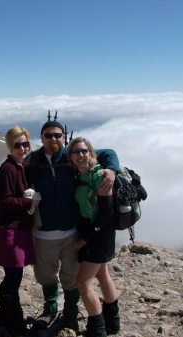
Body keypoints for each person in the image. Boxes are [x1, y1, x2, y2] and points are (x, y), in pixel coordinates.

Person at [26, 119, 119, 333]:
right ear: (41, 138)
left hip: (71, 233)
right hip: (43, 233)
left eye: (57, 135)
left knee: (72, 278)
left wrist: (112, 170)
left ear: (64, 137)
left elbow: (109, 153)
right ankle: (50, 309)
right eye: (48, 135)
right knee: (45, 275)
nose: (53, 139)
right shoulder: (33, 161)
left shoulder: (72, 156)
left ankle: (70, 314)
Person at [67, 137, 119, 337]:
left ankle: (97, 330)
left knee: (83, 282)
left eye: (84, 151)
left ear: (90, 153)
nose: (81, 155)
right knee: (102, 274)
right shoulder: (82, 175)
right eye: (76, 152)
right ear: (70, 157)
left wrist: (84, 240)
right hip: (99, 233)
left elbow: (106, 213)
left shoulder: (99, 176)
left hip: (99, 233)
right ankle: (112, 323)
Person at [0, 126, 39, 336]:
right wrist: (29, 201)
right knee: (13, 277)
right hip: (9, 230)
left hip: (21, 229)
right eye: (17, 145)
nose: (22, 148)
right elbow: (5, 202)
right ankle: (15, 324)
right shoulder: (7, 169)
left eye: (25, 144)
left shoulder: (25, 165)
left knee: (14, 276)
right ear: (10, 146)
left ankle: (1, 319)